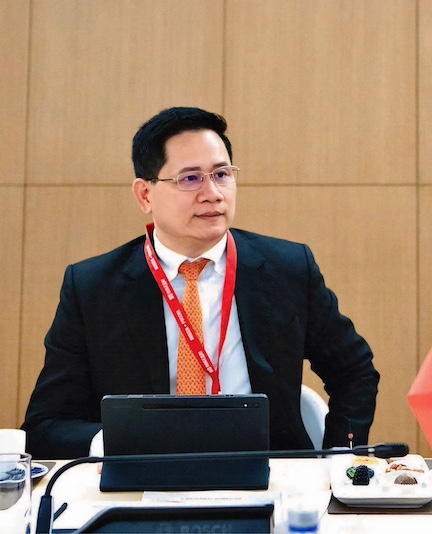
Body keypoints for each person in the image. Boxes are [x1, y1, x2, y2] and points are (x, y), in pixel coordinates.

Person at [23, 107, 380, 459]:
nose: (213, 193)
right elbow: (45, 425)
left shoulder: (288, 269)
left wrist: (340, 457)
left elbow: (355, 371)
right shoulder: (93, 289)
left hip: (269, 474)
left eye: (222, 174)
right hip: (144, 475)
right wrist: (114, 444)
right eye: (190, 179)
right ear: (145, 195)